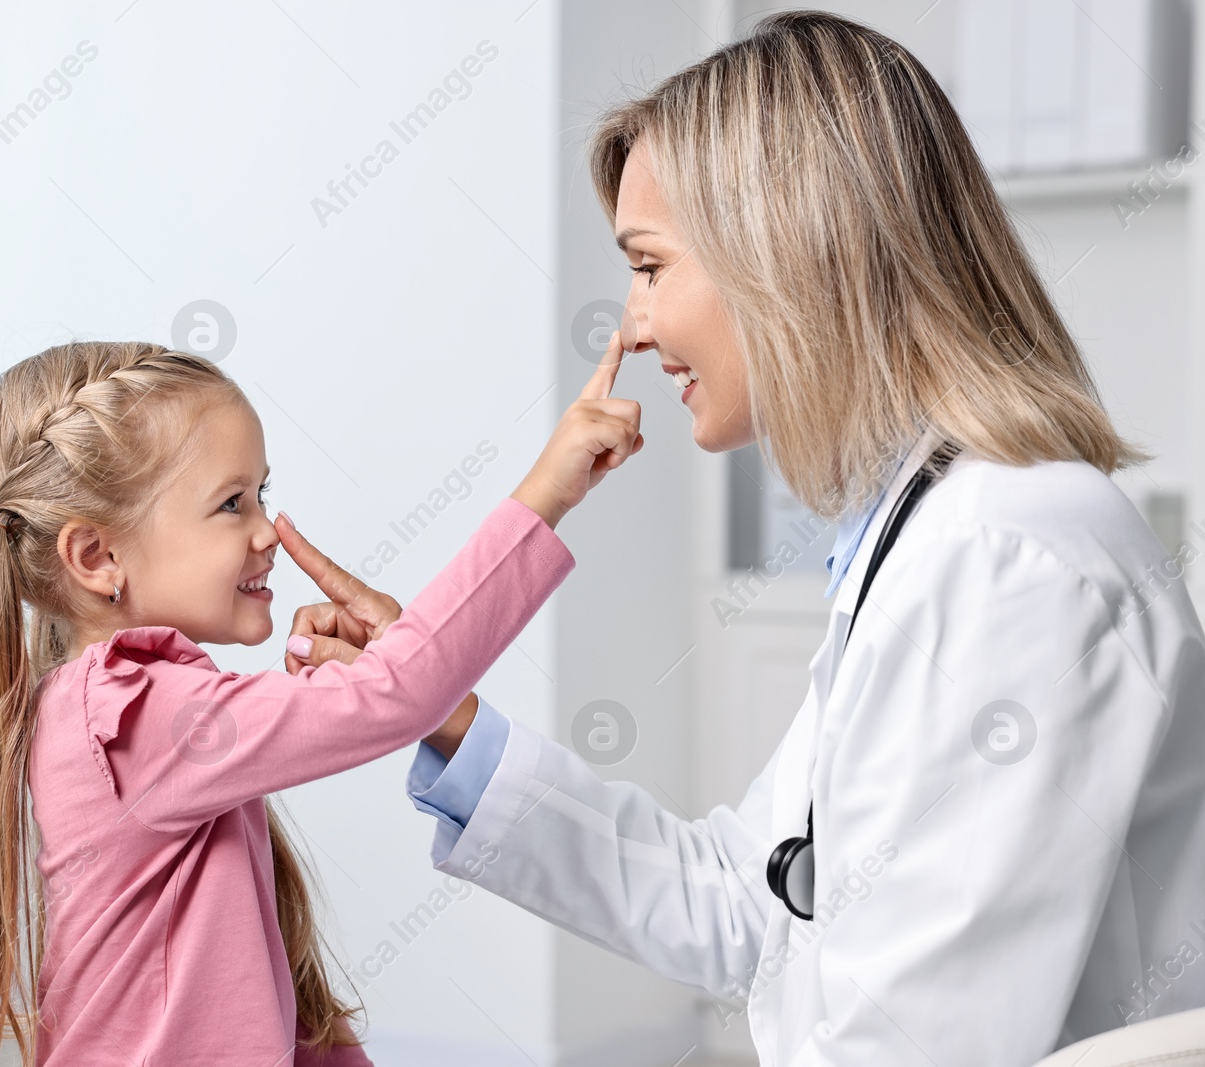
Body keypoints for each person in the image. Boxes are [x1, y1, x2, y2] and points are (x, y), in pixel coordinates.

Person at [278, 11, 1205, 1066]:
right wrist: (442, 714)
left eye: (649, 266)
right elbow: (746, 894)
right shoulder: (930, 534)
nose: (629, 325)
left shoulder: (1007, 559)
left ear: (787, 252)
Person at [0, 340, 642, 1066]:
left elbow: (241, 997)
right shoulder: (131, 710)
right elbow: (398, 697)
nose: (267, 529)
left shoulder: (107, 707)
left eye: (261, 492)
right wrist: (549, 490)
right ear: (98, 557)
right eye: (231, 503)